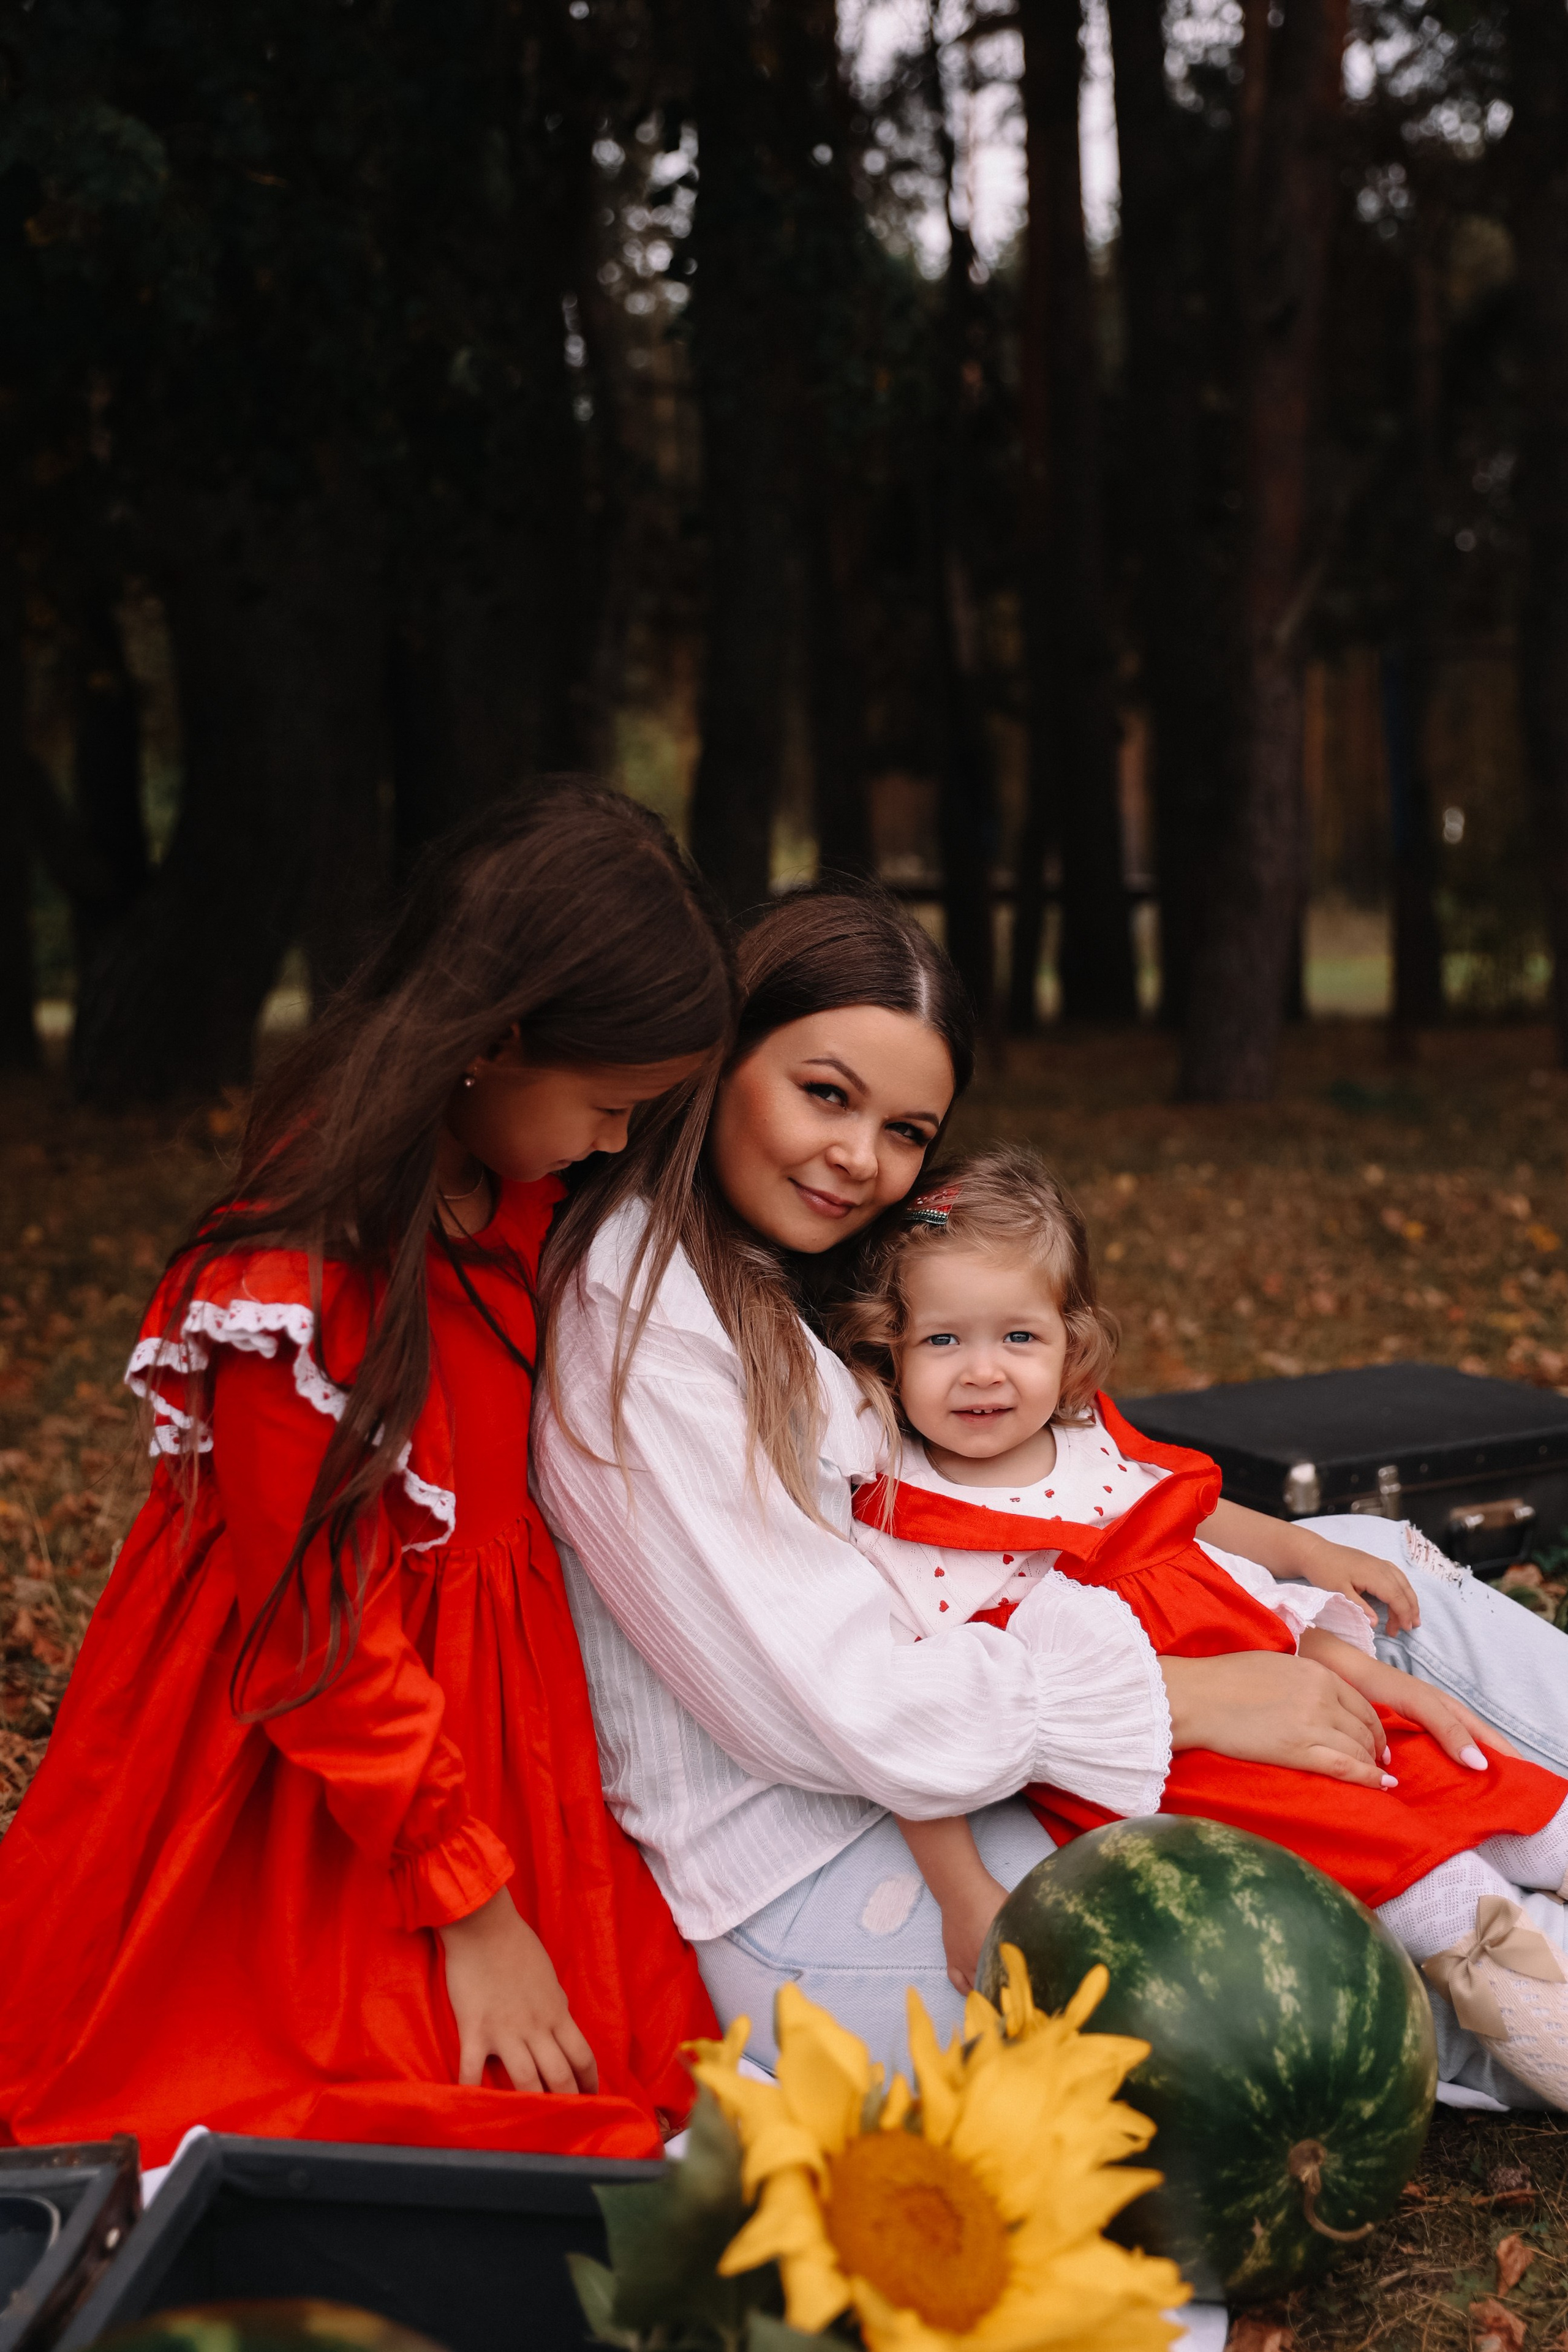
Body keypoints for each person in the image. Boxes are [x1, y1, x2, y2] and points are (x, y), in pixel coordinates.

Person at [535, 884, 1568, 2110]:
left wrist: (1279, 1576)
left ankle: (1510, 1846)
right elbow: (857, 1709)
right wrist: (1190, 1699)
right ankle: (1493, 1953)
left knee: (1352, 1570)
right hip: (825, 1853)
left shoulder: (805, 1272)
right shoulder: (647, 1315)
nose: (859, 1159)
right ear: (720, 1059)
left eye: (907, 1130)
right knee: (1274, 1980)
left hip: (993, 1741)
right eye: (823, 1092)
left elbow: (1089, 1500)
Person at [0, 782, 730, 2166]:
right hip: (323, 1752)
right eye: (608, 1105)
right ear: (498, 1039)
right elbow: (312, 1632)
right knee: (430, 2110)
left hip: (493, 1713)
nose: (614, 1145)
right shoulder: (304, 1270)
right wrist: (473, 1907)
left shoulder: (505, 1177)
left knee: (639, 2072)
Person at [833, 1144, 1568, 2108]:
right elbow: (920, 1729)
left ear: (1070, 1344)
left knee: (1465, 1771)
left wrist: (1307, 1558)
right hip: (1187, 1765)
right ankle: (1527, 1987)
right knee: (1402, 1864)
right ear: (889, 1349)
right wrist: (965, 1891)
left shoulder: (1087, 1433)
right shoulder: (910, 1529)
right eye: (942, 1343)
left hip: (1269, 1655)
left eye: (1018, 1338)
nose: (984, 1374)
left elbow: (1190, 1508)